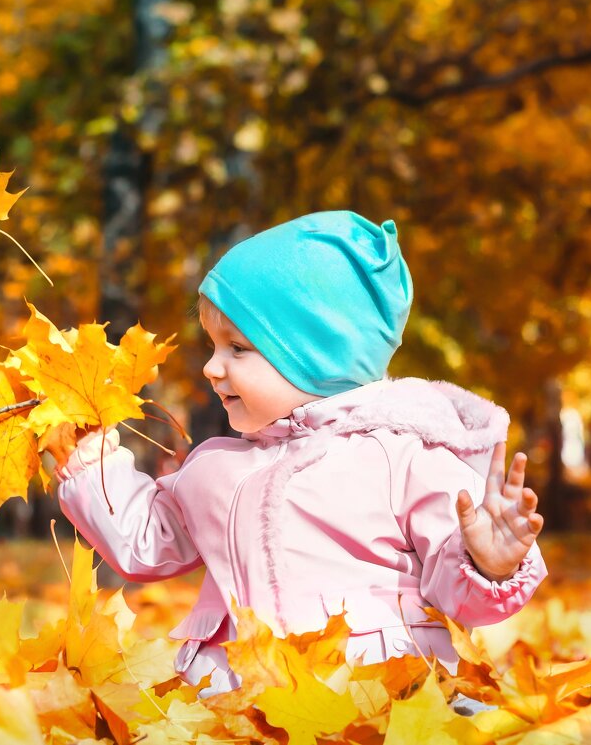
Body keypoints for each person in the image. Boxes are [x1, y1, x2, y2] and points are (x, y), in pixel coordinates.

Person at [56, 211, 546, 696]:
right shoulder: (215, 467)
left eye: (237, 349)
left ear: (317, 356)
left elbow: (456, 594)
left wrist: (488, 565)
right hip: (235, 697)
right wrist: (87, 461)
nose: (211, 367)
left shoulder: (405, 454)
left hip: (375, 696)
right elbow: (145, 539)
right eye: (212, 346)